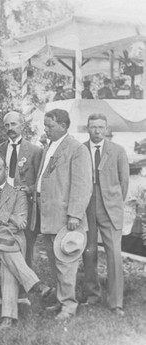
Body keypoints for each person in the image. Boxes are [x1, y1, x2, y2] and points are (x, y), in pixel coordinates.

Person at [0, 155, 51, 330]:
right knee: (8, 247)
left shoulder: (18, 194)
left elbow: (21, 222)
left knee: (7, 249)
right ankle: (35, 284)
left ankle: (7, 317)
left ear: (6, 170)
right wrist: (9, 217)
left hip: (8, 242)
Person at [34, 109, 92, 321]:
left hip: (66, 218)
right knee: (54, 261)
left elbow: (82, 184)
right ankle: (61, 300)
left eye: (49, 125)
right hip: (49, 215)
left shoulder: (76, 149)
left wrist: (75, 214)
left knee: (66, 262)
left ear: (63, 126)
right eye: (45, 125)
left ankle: (69, 305)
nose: (45, 129)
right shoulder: (50, 146)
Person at [82, 114, 129, 317]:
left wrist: (114, 202)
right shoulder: (80, 149)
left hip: (110, 206)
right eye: (93, 127)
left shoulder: (117, 151)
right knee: (89, 251)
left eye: (101, 127)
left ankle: (115, 302)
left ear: (106, 128)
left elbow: (124, 182)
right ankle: (92, 295)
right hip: (86, 205)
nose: (97, 131)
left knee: (114, 254)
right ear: (88, 128)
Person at [0, 111, 43, 267]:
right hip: (2, 204)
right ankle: (3, 285)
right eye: (7, 125)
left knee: (26, 243)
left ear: (22, 125)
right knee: (1, 243)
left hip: (25, 205)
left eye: (13, 124)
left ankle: (24, 287)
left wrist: (29, 189)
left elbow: (41, 181)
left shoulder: (35, 151)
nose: (10, 128)